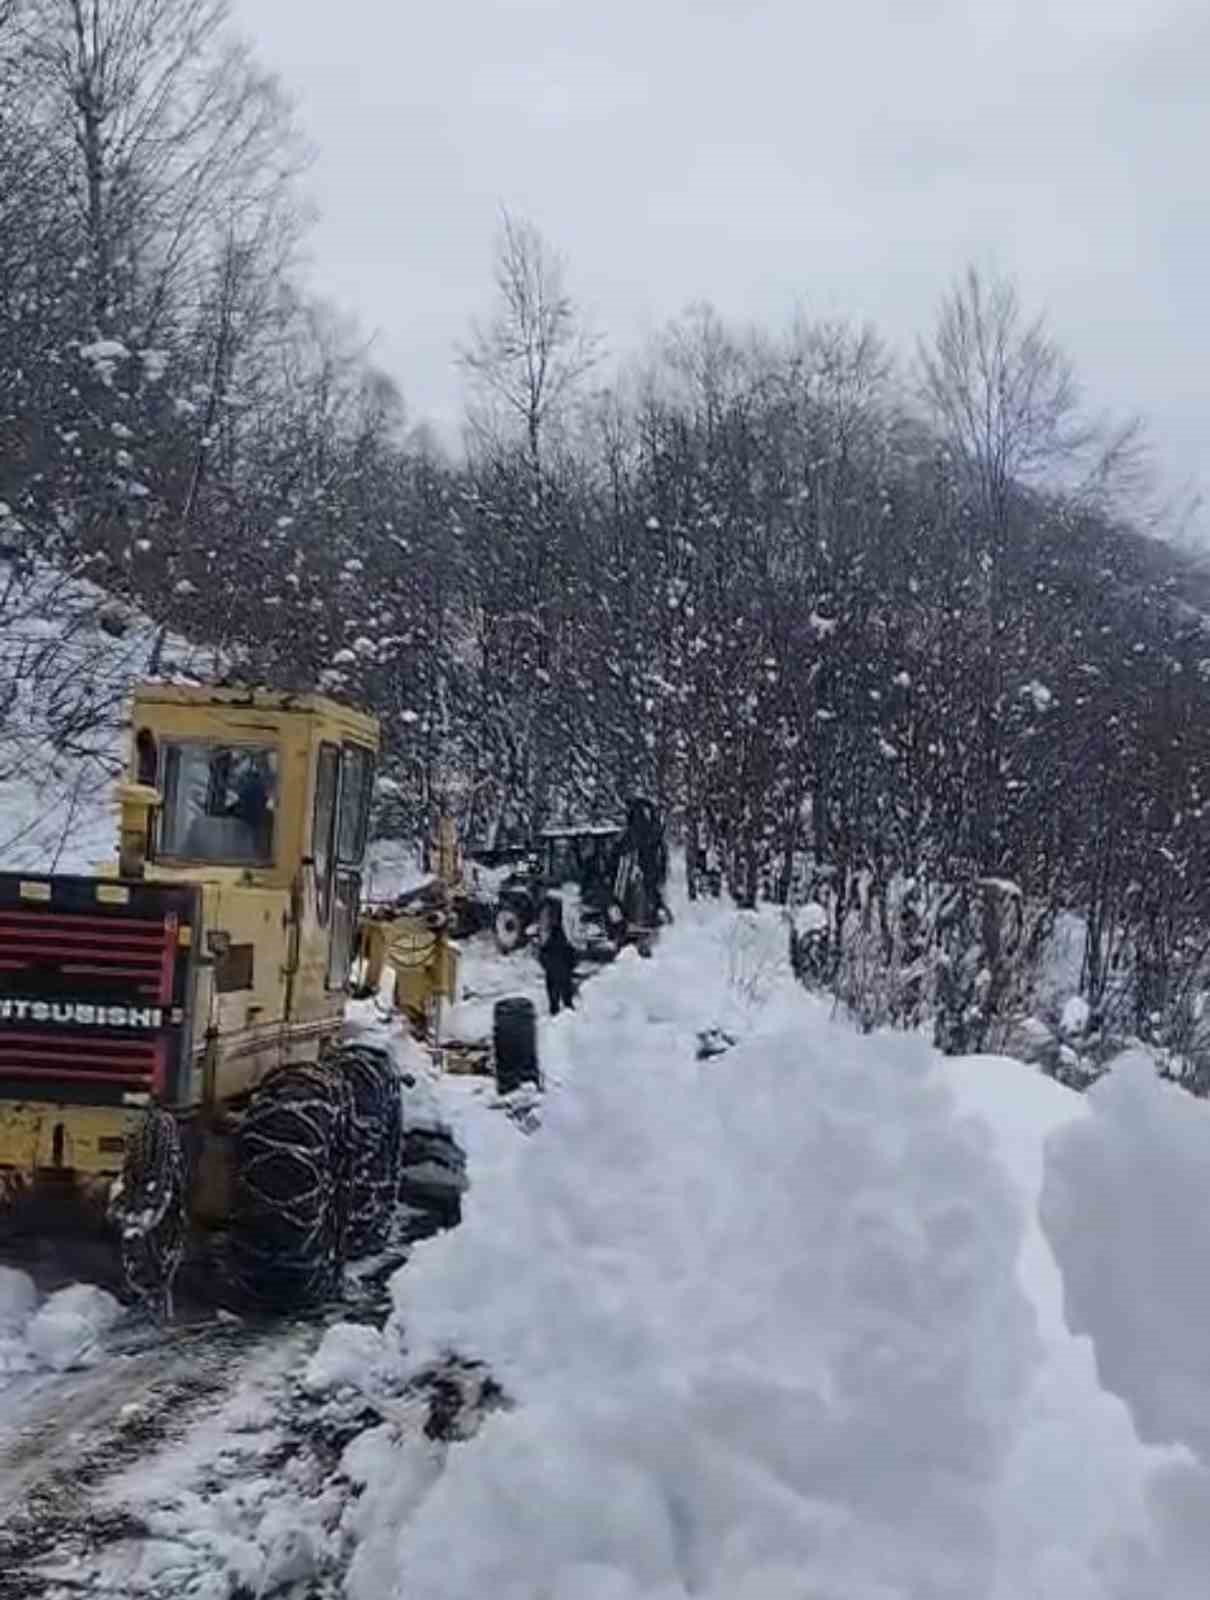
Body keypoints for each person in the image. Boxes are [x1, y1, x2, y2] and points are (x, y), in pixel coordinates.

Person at [536, 894, 577, 1016]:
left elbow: (542, 955)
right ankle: (566, 1009)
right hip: (561, 962)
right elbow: (572, 955)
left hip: (554, 963)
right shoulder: (563, 936)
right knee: (564, 988)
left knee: (554, 988)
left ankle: (557, 1010)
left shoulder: (549, 937)